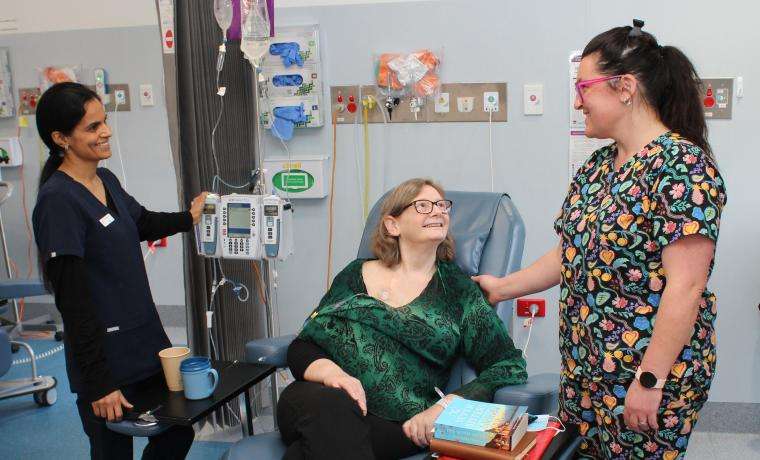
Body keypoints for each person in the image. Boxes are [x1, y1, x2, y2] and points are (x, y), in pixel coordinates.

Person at [474, 20, 726, 459]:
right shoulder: (597, 167)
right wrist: (502, 287)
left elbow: (686, 288)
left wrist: (650, 381)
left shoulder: (681, 167)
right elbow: (570, 253)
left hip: (646, 375)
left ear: (624, 87)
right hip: (586, 372)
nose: (577, 102)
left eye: (584, 88)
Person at [276, 178, 528, 459]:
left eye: (442, 206)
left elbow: (507, 365)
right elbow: (303, 346)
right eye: (423, 205)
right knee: (333, 405)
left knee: (303, 452)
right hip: (315, 397)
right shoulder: (354, 274)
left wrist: (445, 407)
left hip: (397, 423)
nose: (438, 211)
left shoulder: (459, 292)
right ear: (391, 225)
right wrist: (336, 377)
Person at [31, 82, 208, 460]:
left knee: (177, 430)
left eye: (104, 121)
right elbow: (74, 304)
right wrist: (99, 384)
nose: (106, 131)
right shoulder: (58, 202)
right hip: (106, 360)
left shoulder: (104, 180)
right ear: (61, 138)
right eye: (92, 127)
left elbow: (140, 221)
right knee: (113, 452)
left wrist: (189, 218)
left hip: (144, 344)